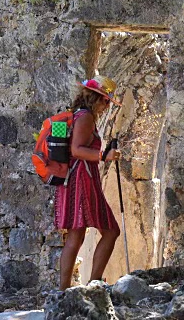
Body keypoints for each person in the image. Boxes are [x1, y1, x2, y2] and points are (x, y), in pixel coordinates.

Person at [54, 76, 122, 290]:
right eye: (105, 101)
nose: (107, 105)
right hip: (82, 179)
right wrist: (104, 155)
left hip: (76, 179)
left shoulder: (78, 115)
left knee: (77, 234)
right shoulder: (86, 118)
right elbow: (76, 150)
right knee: (110, 231)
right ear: (95, 98)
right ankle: (94, 284)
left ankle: (65, 290)